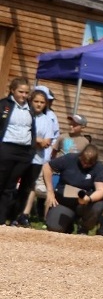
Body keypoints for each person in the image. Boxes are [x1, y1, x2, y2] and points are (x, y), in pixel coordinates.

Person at [41, 143, 103, 233]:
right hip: (64, 202)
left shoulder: (100, 168)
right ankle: (68, 225)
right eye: (83, 161)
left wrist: (88, 199)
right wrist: (50, 191)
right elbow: (47, 167)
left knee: (98, 205)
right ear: (80, 156)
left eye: (89, 164)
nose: (85, 165)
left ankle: (84, 228)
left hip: (84, 204)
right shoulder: (69, 158)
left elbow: (102, 190)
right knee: (54, 228)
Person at [13, 87, 55, 226]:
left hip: (37, 158)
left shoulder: (47, 120)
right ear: (31, 101)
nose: (39, 104)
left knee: (30, 186)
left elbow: (47, 142)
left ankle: (24, 214)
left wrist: (35, 140)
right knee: (13, 182)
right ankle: (11, 211)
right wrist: (36, 140)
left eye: (42, 102)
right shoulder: (25, 114)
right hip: (21, 155)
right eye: (36, 101)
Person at [0, 77, 35, 225]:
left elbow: (33, 129)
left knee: (10, 186)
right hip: (6, 148)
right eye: (21, 92)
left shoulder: (30, 108)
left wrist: (31, 151)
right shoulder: (4, 105)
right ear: (13, 90)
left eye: (26, 92)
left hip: (23, 151)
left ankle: (1, 220)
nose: (24, 95)